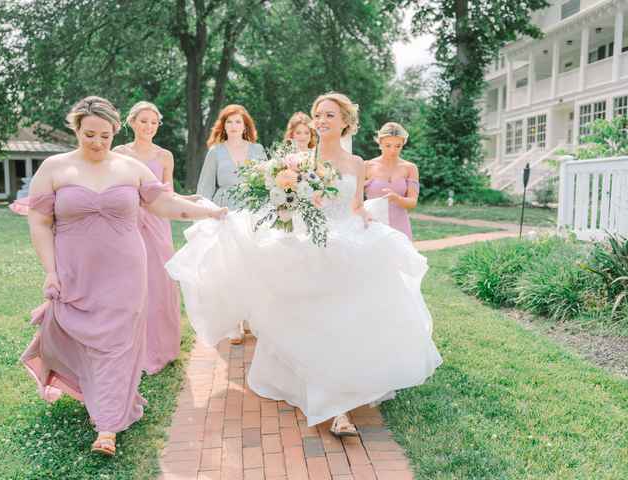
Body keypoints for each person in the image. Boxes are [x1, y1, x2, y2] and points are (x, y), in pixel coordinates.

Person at [166, 92, 441, 437]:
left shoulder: (357, 164)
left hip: (348, 243)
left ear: (345, 122)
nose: (322, 121)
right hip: (307, 244)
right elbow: (287, 206)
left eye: (329, 115)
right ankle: (335, 407)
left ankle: (339, 401)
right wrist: (283, 206)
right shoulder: (296, 162)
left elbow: (355, 204)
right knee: (313, 321)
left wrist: (365, 219)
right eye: (318, 115)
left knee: (343, 321)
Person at [21, 96, 226, 456]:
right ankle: (98, 393)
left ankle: (107, 428)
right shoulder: (54, 168)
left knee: (118, 343)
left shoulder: (130, 168)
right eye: (89, 135)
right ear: (77, 129)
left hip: (126, 272)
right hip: (75, 271)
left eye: (105, 135)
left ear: (116, 131)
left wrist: (206, 213)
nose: (98, 143)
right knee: (78, 336)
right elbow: (39, 222)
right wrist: (51, 271)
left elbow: (163, 203)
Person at [112, 101, 187, 374]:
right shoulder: (119, 153)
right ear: (132, 123)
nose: (149, 127)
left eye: (153, 122)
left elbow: (168, 193)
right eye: (143, 121)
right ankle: (129, 347)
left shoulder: (165, 156)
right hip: (127, 223)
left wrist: (189, 202)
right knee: (130, 284)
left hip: (157, 225)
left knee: (160, 282)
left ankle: (162, 347)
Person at [196, 104, 267, 344]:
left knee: (253, 266)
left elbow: (268, 184)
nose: (234, 126)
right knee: (228, 267)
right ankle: (233, 323)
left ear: (245, 125)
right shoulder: (215, 152)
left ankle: (252, 319)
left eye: (238, 122)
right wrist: (205, 214)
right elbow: (205, 187)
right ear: (223, 126)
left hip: (253, 213)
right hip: (225, 213)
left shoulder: (257, 149)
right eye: (229, 122)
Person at [364, 122, 419, 240]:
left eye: (397, 146)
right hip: (373, 225)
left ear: (403, 144)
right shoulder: (367, 166)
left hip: (400, 227)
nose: (393, 150)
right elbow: (355, 200)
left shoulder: (410, 168)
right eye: (388, 145)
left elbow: (413, 202)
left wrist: (397, 198)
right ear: (380, 143)